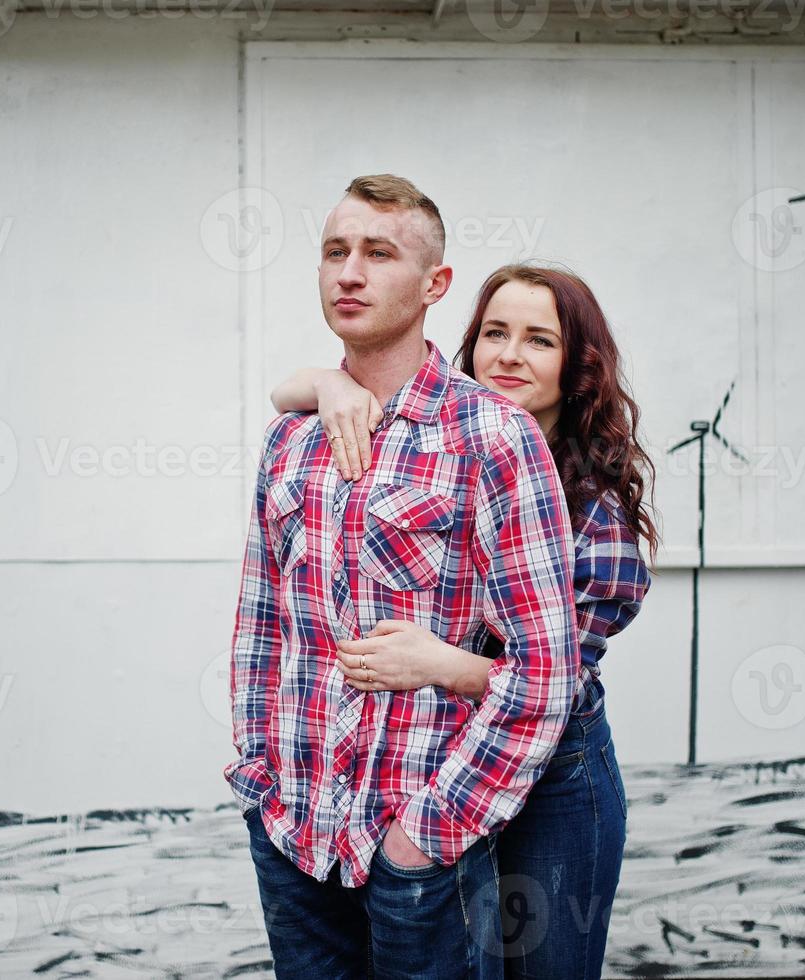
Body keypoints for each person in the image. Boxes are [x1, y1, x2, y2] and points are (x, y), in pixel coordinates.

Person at [224, 177, 583, 979]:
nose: (348, 273)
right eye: (333, 252)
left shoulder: (492, 435)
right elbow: (260, 625)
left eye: (377, 253)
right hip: (295, 832)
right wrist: (259, 780)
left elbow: (545, 669)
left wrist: (429, 833)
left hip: (420, 841)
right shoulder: (292, 438)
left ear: (434, 285)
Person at [270, 263, 657, 979]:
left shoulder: (592, 511)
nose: (508, 354)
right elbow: (283, 391)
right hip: (448, 762)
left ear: (575, 366)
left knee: (542, 968)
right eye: (494, 333)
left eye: (538, 340)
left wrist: (438, 663)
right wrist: (328, 383)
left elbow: (555, 679)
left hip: (552, 781)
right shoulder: (444, 445)